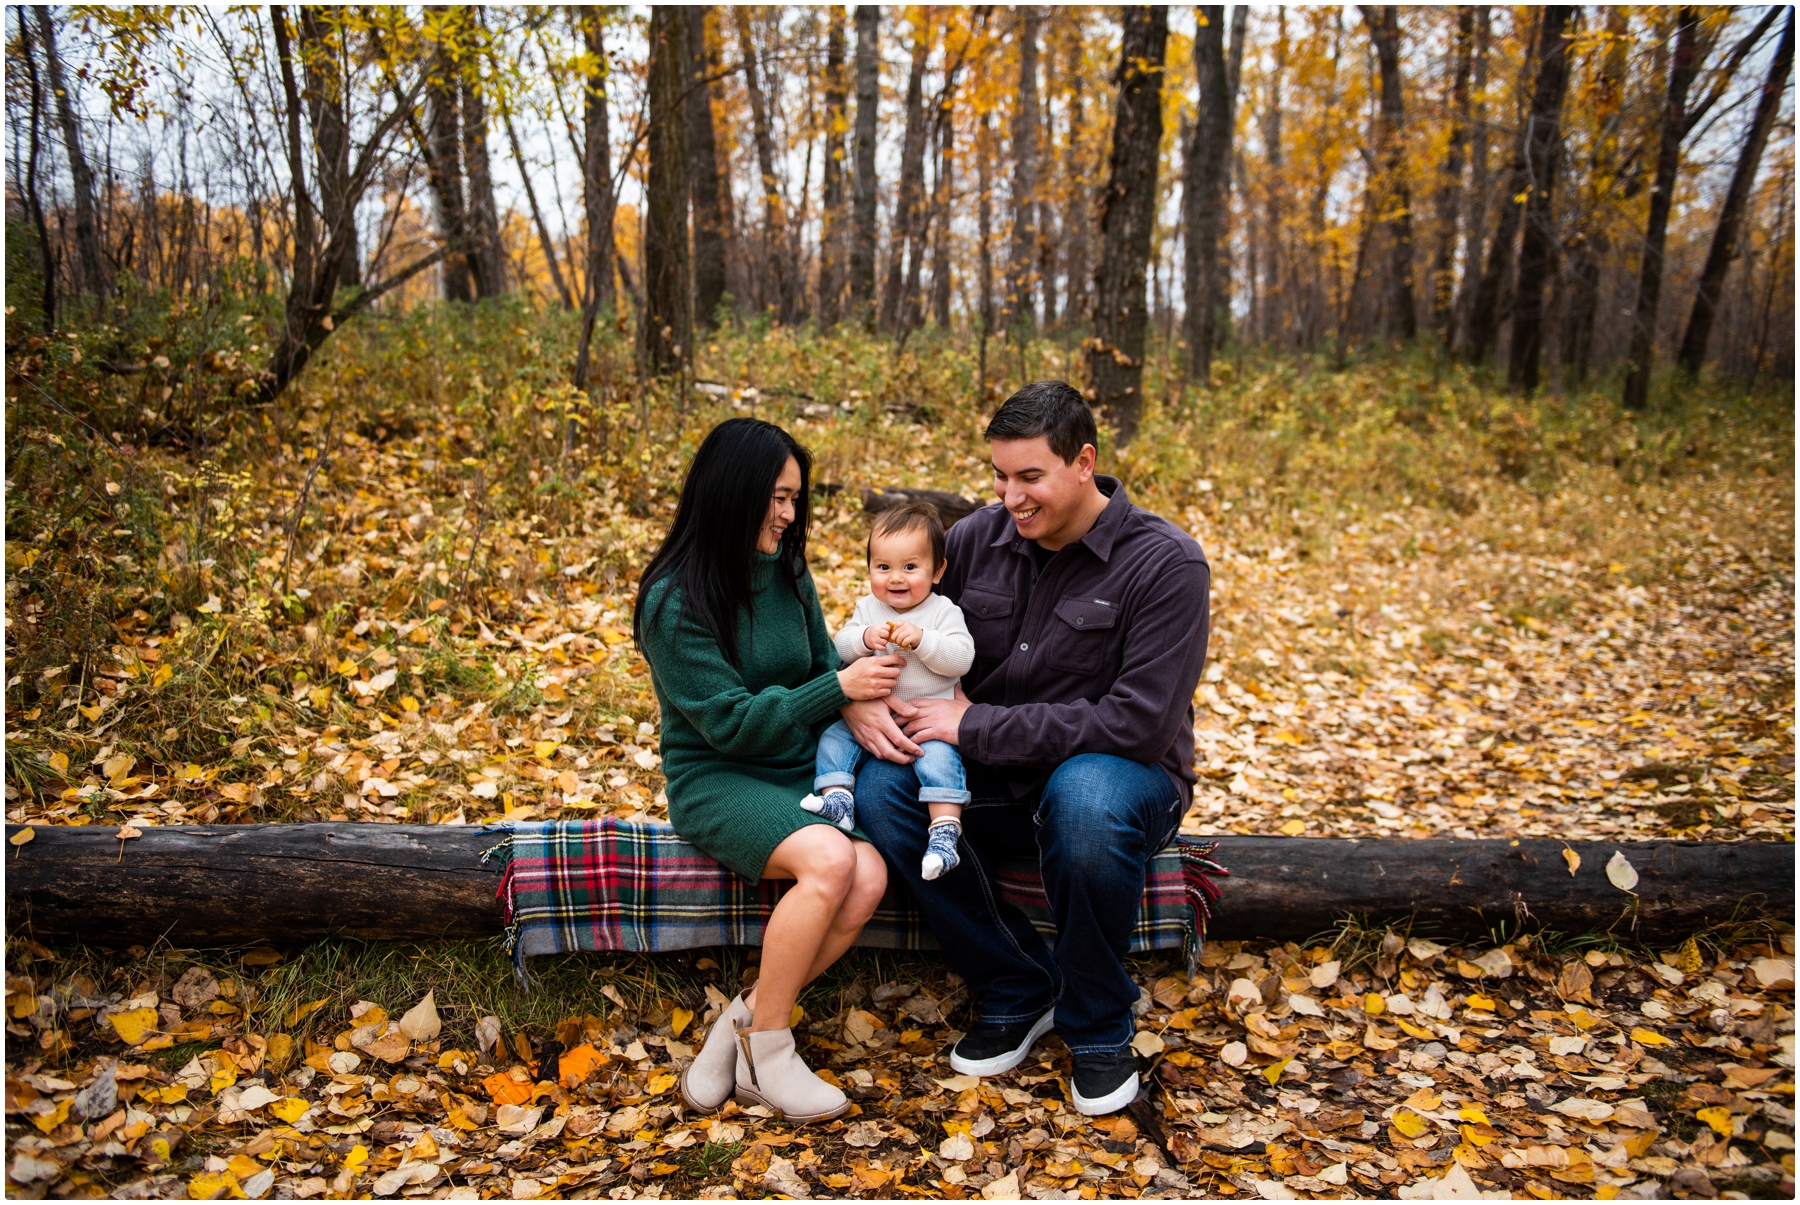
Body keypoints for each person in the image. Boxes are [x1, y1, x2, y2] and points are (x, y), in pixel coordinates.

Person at [841, 381, 1211, 1117]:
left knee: (1086, 800)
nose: (1011, 497)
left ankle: (1099, 1023)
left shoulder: (1166, 564)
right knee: (885, 793)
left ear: (1083, 462)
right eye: (1000, 477)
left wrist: (975, 728)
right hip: (989, 776)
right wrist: (858, 698)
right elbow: (886, 621)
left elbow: (1136, 725)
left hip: (1121, 778)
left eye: (1029, 477)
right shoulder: (976, 540)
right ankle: (1016, 981)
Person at [634, 417, 900, 1123]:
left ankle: (743, 1024)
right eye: (776, 497)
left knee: (869, 873)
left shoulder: (786, 567)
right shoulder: (671, 601)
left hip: (798, 763)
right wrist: (839, 691)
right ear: (732, 492)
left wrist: (850, 700)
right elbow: (729, 722)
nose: (788, 514)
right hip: (718, 774)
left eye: (794, 499)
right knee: (830, 859)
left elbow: (820, 668)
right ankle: (770, 1055)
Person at [803, 501, 975, 880]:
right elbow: (841, 646)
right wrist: (864, 638)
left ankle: (945, 834)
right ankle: (837, 798)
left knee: (940, 764)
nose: (895, 578)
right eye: (883, 567)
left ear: (938, 571)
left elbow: (961, 658)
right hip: (874, 714)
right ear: (869, 570)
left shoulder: (942, 612)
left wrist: (924, 641)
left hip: (926, 718)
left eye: (910, 567)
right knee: (833, 739)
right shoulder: (869, 609)